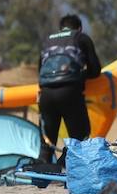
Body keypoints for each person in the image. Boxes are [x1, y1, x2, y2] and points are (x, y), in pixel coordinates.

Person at [37, 13, 103, 159]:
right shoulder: (81, 38)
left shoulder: (48, 41)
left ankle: (40, 177)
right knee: (79, 140)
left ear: (60, 29)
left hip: (46, 95)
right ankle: (67, 169)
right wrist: (81, 75)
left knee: (47, 143)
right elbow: (96, 70)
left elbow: (39, 72)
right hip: (70, 92)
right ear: (79, 28)